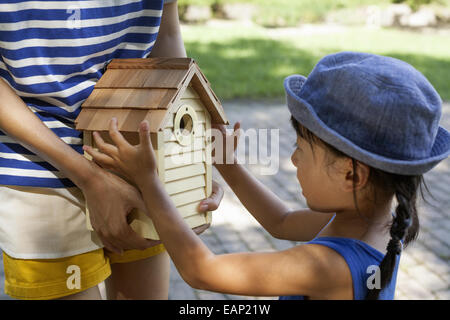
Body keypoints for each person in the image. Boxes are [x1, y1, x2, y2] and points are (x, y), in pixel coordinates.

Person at [84, 51, 450, 300]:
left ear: (352, 175)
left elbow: (201, 270)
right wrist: (227, 163)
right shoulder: (381, 220)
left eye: (302, 151)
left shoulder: (327, 266)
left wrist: (149, 181)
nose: (292, 160)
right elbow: (282, 221)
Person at [0, 0, 222, 300]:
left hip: (139, 158)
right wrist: (90, 178)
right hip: (39, 166)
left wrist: (185, 160)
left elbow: (165, 35)